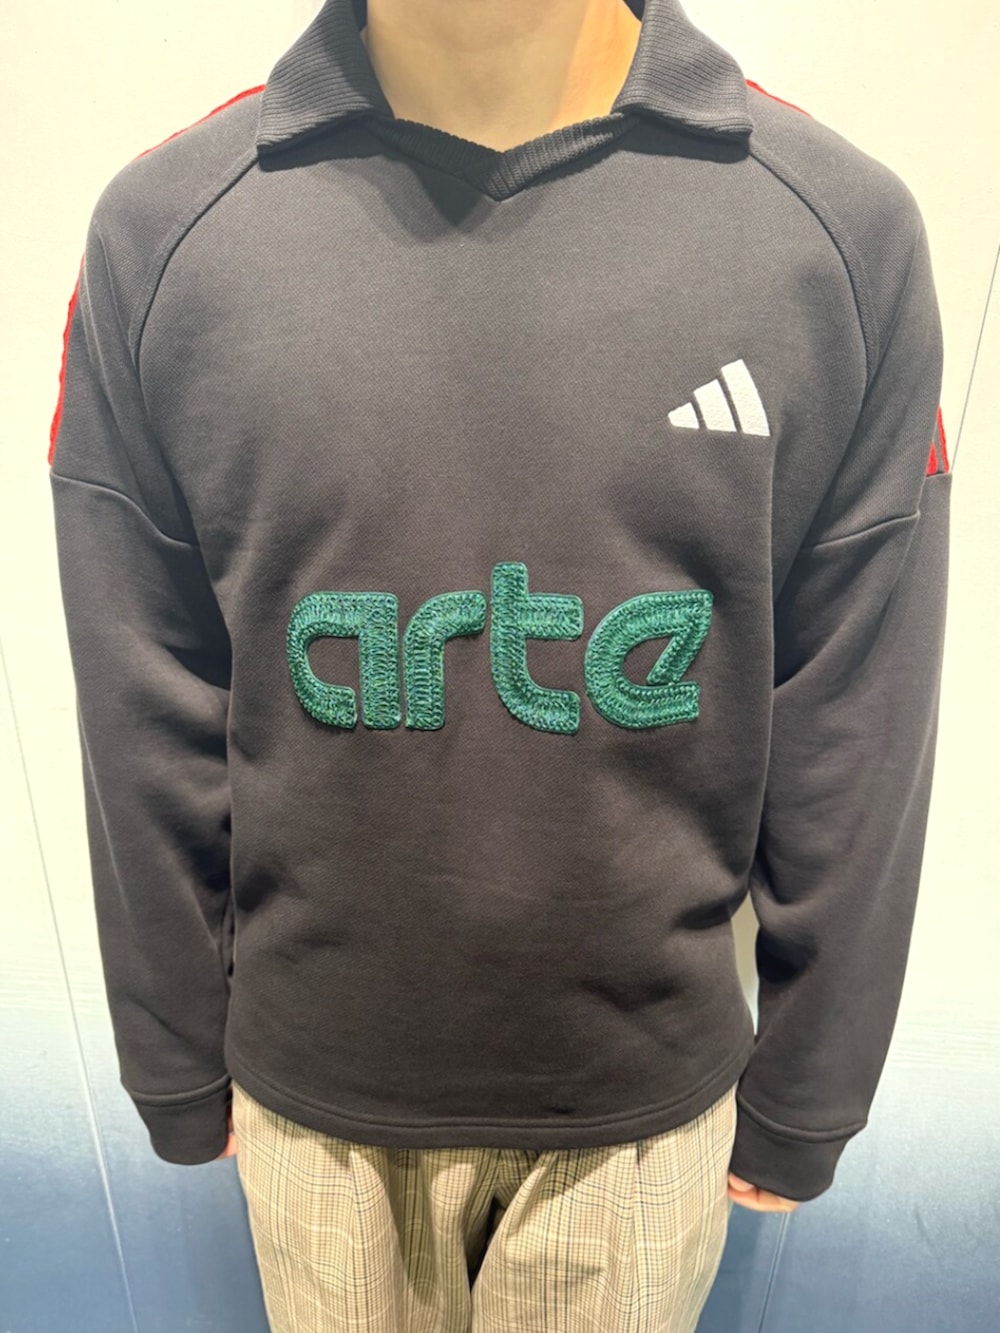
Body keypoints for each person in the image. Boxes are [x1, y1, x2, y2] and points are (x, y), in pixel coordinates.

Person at [48, 0, 952, 1329]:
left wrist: (814, 1080)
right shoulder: (172, 234)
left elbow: (859, 707)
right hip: (313, 1111)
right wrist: (173, 1048)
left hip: (645, 1119)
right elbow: (143, 684)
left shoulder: (832, 233)